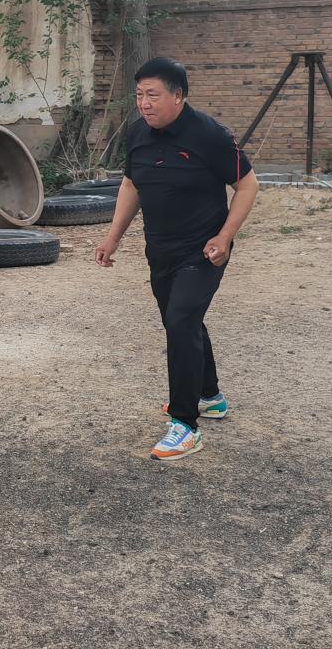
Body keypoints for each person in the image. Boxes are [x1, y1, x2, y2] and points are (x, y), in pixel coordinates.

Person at [95, 57, 258, 461]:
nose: (144, 104)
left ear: (178, 96)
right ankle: (210, 396)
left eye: (152, 95)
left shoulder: (209, 134)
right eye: (139, 95)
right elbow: (131, 184)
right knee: (182, 320)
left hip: (203, 252)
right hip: (160, 251)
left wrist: (225, 236)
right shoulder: (138, 133)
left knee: (181, 321)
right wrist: (113, 237)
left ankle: (185, 425)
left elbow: (247, 185)